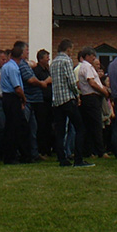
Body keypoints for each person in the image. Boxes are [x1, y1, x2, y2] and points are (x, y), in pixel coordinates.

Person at [50, 39, 90, 168]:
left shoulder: (54, 62)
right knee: (80, 128)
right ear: (68, 49)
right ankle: (78, 159)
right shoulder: (66, 61)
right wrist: (77, 94)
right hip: (67, 99)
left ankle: (62, 159)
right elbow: (71, 81)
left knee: (60, 131)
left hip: (56, 100)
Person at [1, 44, 32, 164]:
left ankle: (13, 155)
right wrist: (24, 99)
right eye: (25, 52)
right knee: (16, 128)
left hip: (8, 98)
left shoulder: (7, 66)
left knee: (12, 127)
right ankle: (14, 156)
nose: (27, 54)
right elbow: (17, 87)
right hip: (12, 98)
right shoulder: (13, 68)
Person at [77, 46, 109, 159]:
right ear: (87, 56)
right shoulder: (88, 67)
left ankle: (89, 151)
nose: (94, 58)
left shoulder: (83, 67)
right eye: (93, 56)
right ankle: (100, 151)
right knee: (96, 125)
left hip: (87, 98)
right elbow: (92, 83)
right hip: (91, 97)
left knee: (89, 125)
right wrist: (104, 92)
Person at [32, 49, 53, 157]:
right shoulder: (37, 71)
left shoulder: (47, 70)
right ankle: (41, 150)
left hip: (49, 101)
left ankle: (48, 149)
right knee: (42, 125)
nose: (48, 59)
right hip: (41, 101)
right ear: (40, 59)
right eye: (46, 57)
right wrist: (47, 81)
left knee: (48, 126)